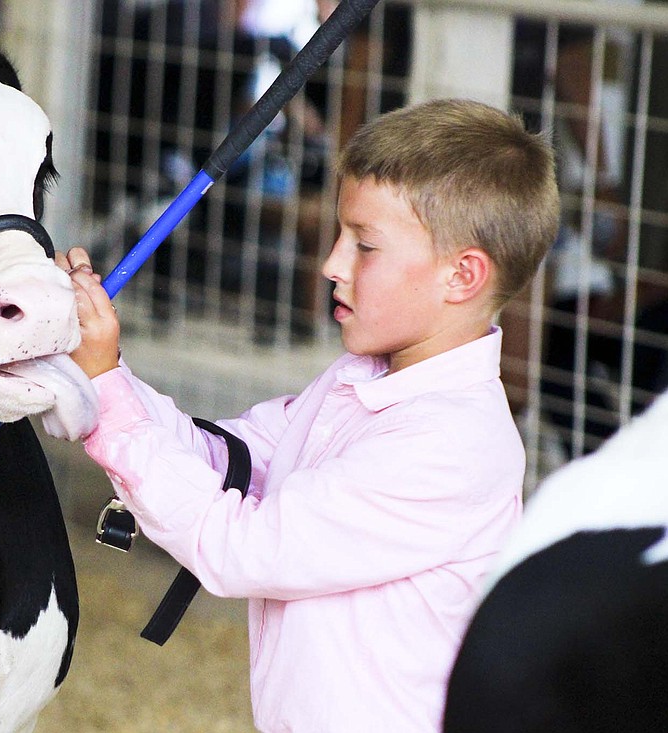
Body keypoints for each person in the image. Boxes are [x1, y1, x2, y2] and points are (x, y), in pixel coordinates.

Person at [55, 98, 560, 732]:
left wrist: (105, 388)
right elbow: (227, 458)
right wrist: (99, 371)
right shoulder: (362, 381)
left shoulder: (450, 443)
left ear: (462, 275)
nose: (331, 265)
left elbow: (240, 546)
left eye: (365, 246)